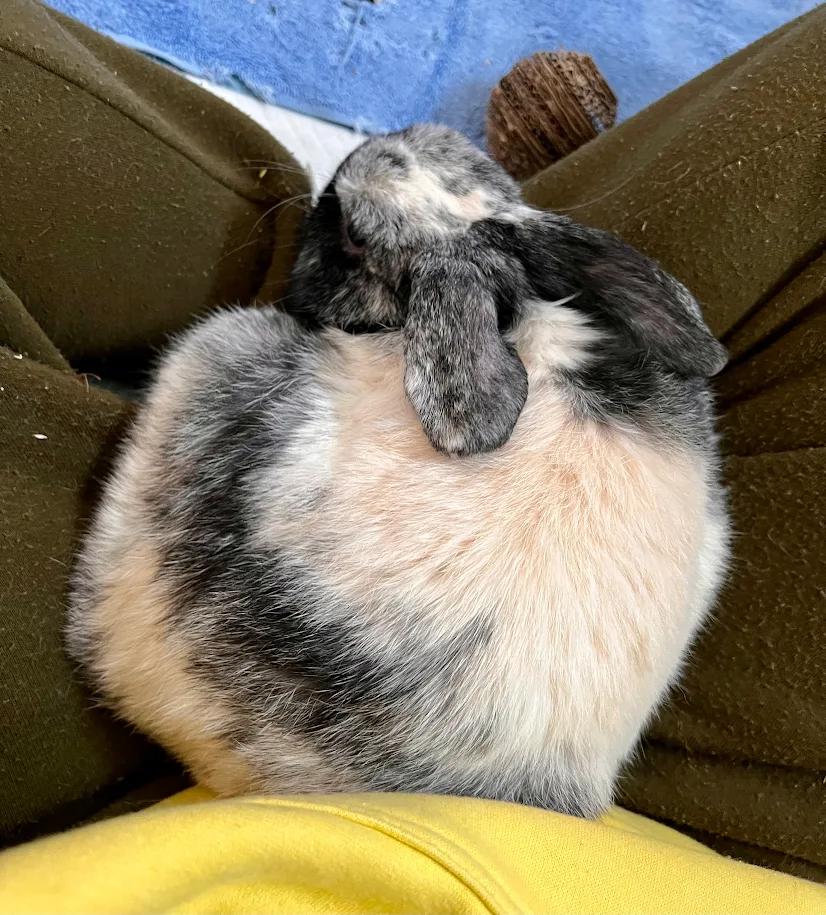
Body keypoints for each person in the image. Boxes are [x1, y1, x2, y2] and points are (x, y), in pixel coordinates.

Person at [0, 0, 823, 897]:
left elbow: (446, 400)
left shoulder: (436, 345)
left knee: (238, 337)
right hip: (541, 790)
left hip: (269, 732)